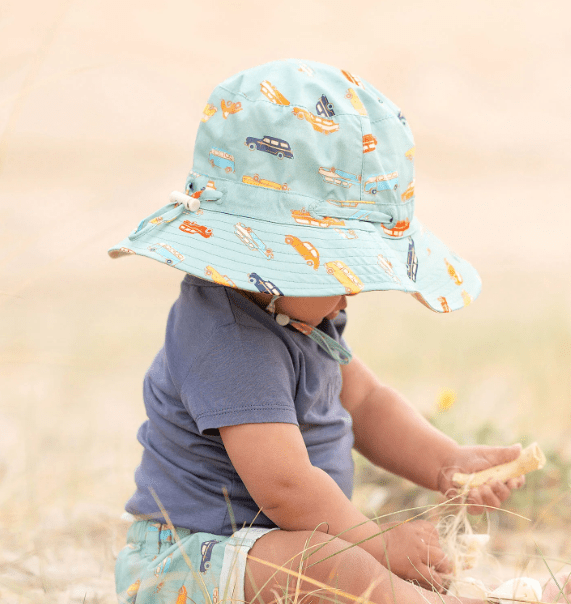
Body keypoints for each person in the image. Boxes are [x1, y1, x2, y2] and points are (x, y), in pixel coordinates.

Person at [109, 60, 527, 604]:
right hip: (190, 563)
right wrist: (377, 544)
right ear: (269, 255)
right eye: (337, 269)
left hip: (271, 548)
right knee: (343, 569)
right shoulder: (228, 334)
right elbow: (284, 488)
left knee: (349, 563)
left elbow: (367, 401)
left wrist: (444, 461)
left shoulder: (303, 313)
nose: (349, 293)